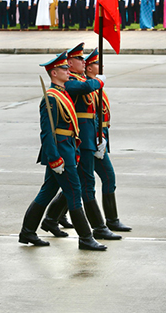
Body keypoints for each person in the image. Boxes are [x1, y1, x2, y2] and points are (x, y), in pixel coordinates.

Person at [17, 52, 105, 251]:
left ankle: (27, 232)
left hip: (67, 150)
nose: (68, 71)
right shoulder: (51, 98)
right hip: (60, 154)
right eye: (64, 68)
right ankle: (85, 237)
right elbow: (47, 133)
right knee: (74, 193)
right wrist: (54, 158)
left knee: (47, 192)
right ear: (54, 72)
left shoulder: (63, 93)